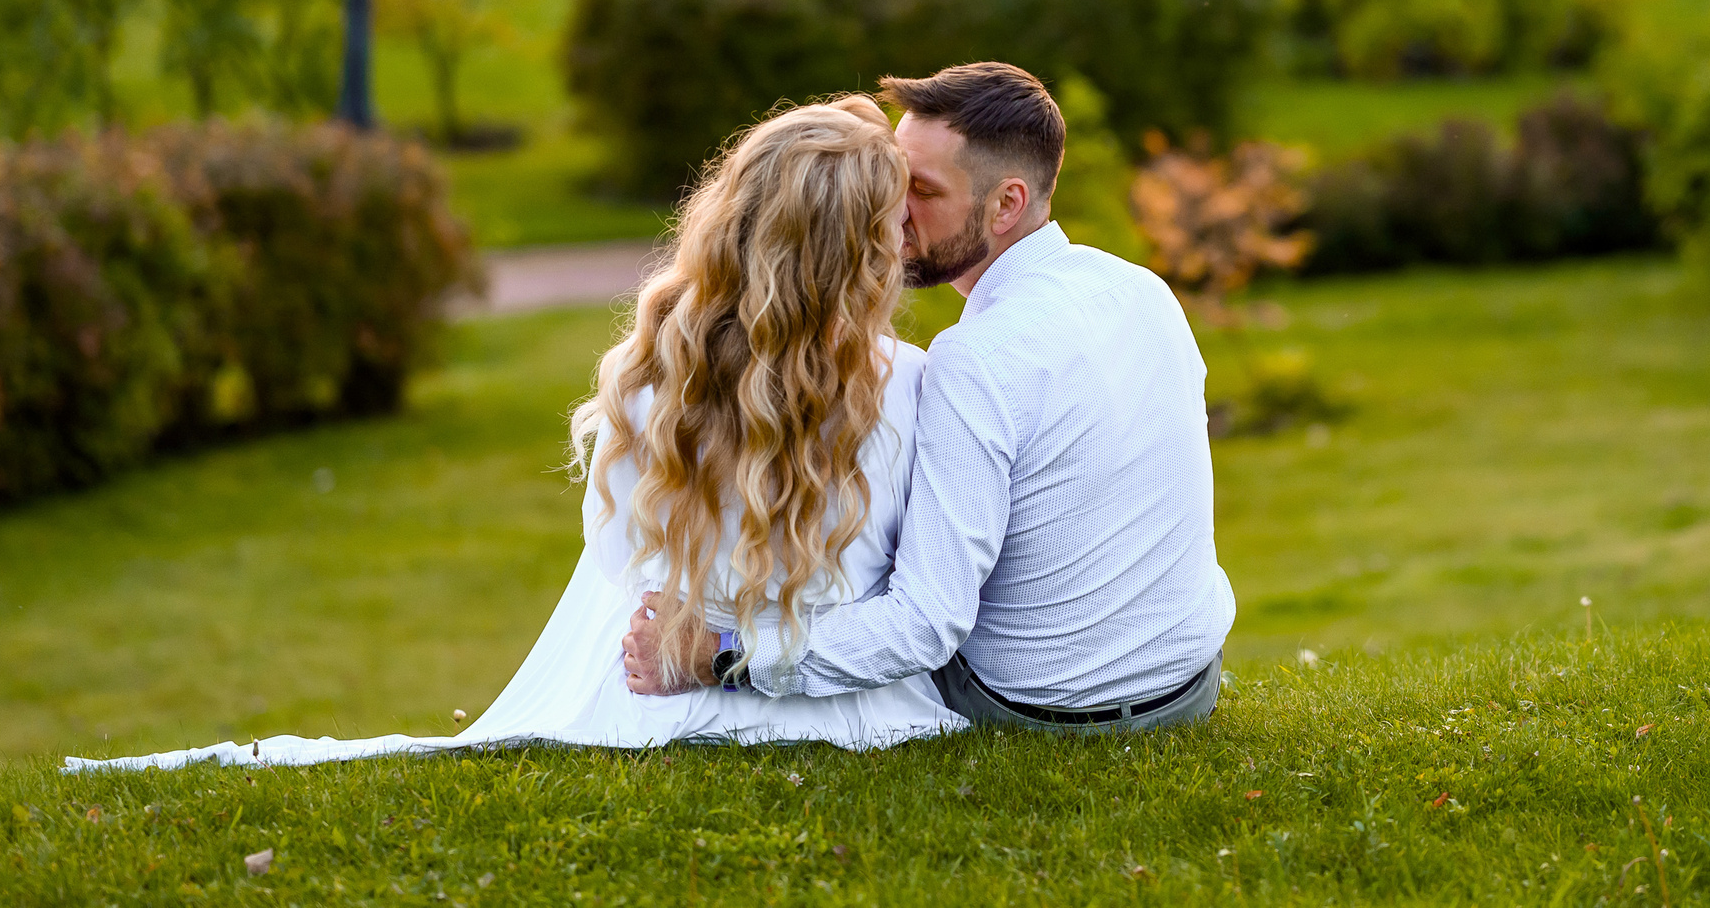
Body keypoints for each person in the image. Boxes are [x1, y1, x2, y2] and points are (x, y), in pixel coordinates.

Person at [66, 96, 964, 772]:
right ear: (862, 253)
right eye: (894, 224)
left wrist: (710, 616)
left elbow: (618, 565)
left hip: (657, 691)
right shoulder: (916, 389)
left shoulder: (654, 377)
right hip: (852, 704)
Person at [626, 62, 1234, 733]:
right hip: (1189, 684)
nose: (890, 209)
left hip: (1044, 710)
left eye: (919, 189)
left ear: (1006, 204)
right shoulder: (1144, 291)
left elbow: (925, 623)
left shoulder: (973, 359)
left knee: (858, 565)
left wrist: (726, 658)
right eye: (891, 177)